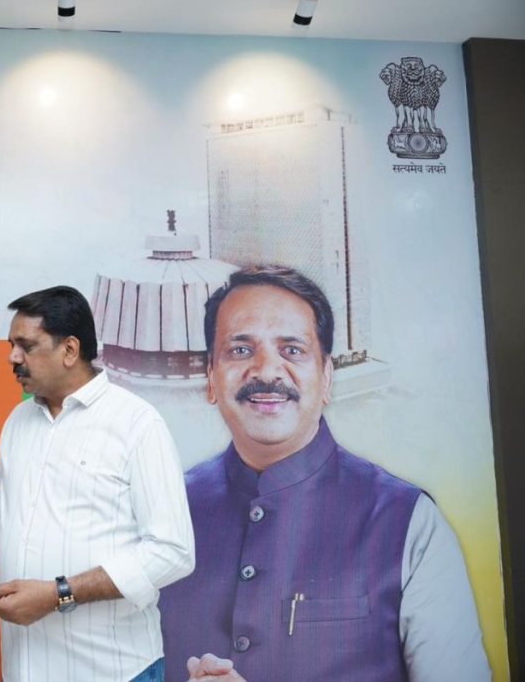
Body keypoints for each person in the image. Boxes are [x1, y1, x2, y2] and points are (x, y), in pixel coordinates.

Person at [159, 266, 490, 681]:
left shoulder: (410, 525)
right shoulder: (163, 514)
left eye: (292, 350)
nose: (267, 371)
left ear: (327, 376)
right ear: (210, 377)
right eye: (240, 350)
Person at [0, 285, 195, 681]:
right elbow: (9, 505)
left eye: (26, 346)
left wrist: (58, 594)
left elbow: (172, 551)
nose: (13, 357)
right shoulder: (19, 421)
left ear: (69, 350)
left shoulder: (136, 424)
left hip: (111, 670)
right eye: (11, 345)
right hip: (26, 666)